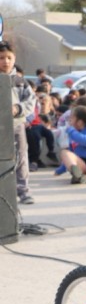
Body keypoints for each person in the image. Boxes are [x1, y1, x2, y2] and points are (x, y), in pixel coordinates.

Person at [1, 41, 35, 204]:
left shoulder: (21, 81)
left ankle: (23, 191)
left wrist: (18, 108)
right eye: (1, 58)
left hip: (16, 125)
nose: (5, 61)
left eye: (9, 58)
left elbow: (31, 102)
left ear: (14, 59)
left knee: (21, 157)